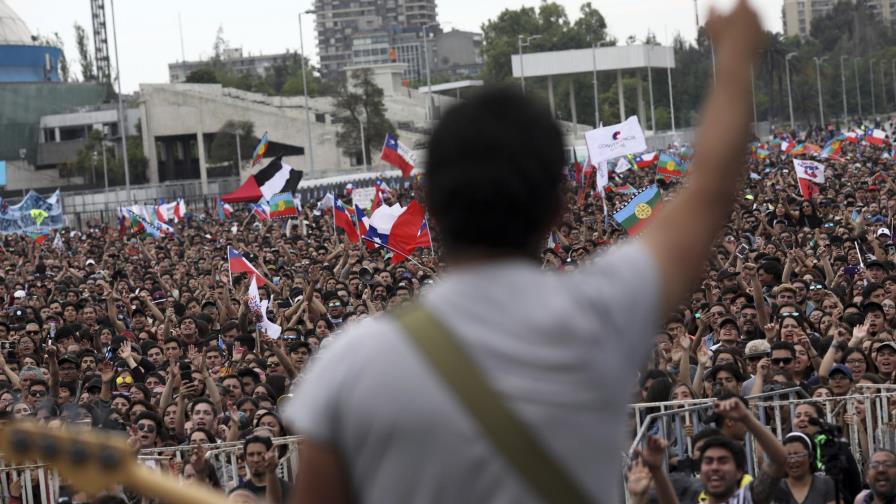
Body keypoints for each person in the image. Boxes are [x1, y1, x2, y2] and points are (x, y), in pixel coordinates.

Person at [288, 4, 766, 502]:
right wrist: (734, 59)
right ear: (558, 206)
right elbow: (708, 191)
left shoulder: (349, 366)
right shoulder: (598, 316)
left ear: (428, 204)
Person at [774, 432, 837, 504]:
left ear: (811, 456)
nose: (793, 460)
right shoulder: (779, 487)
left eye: (798, 455)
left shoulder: (826, 484)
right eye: (788, 456)